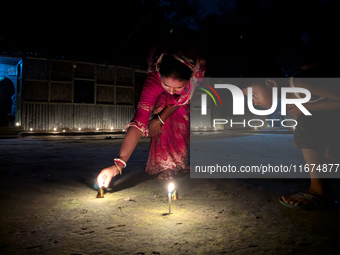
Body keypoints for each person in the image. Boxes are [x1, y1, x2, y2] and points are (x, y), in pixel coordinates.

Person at [97, 42, 206, 188]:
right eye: (167, 85)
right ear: (160, 75)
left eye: (178, 87)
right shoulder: (153, 80)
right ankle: (165, 164)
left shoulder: (196, 74)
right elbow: (138, 122)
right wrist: (117, 166)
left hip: (183, 100)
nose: (171, 91)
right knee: (162, 104)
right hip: (161, 76)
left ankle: (176, 163)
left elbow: (179, 101)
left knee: (179, 115)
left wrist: (160, 120)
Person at [240, 56, 340, 209]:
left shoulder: (299, 83)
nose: (255, 102)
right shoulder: (292, 97)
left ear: (270, 83)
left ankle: (319, 190)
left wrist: (308, 107)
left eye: (254, 95)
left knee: (306, 121)